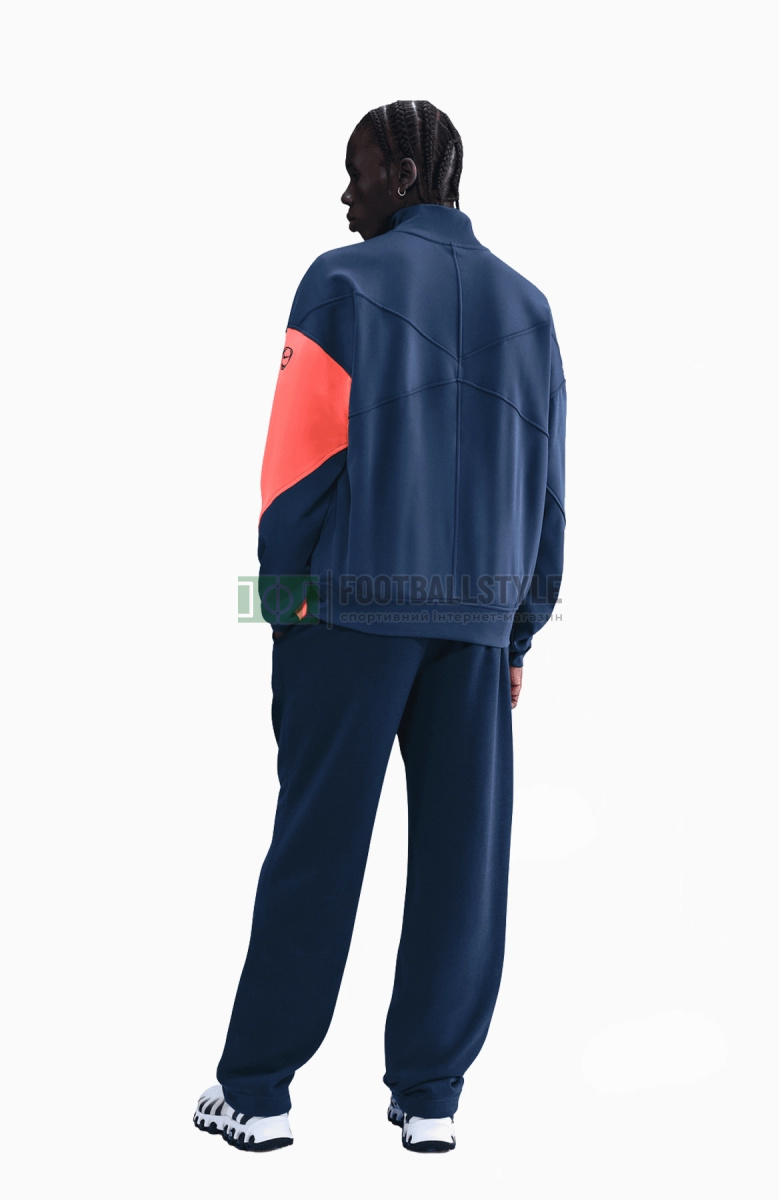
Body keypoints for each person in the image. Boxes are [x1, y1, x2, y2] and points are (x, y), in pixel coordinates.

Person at [194, 99, 567, 1155]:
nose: (344, 193)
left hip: (352, 612)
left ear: (404, 174)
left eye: (357, 171)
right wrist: (518, 630)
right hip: (477, 625)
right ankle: (431, 1096)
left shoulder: (341, 282)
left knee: (316, 847)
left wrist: (283, 605)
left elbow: (298, 462)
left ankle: (257, 1092)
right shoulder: (530, 308)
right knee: (462, 860)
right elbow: (548, 492)